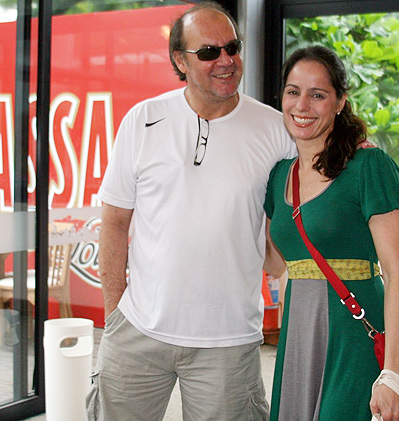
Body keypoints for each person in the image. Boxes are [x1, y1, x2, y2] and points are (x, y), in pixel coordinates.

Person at [86, 2, 296, 420]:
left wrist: (357, 144)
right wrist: (114, 315)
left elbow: (318, 173)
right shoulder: (143, 120)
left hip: (228, 341)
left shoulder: (276, 130)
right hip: (137, 333)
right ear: (180, 60)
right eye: (209, 52)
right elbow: (113, 221)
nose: (226, 61)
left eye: (232, 47)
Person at [264, 45, 399, 421]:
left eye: (318, 94)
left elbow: (397, 273)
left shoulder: (370, 167)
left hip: (354, 334)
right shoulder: (278, 176)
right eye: (293, 92)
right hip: (298, 336)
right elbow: (274, 263)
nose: (303, 105)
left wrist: (394, 374)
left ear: (339, 102)